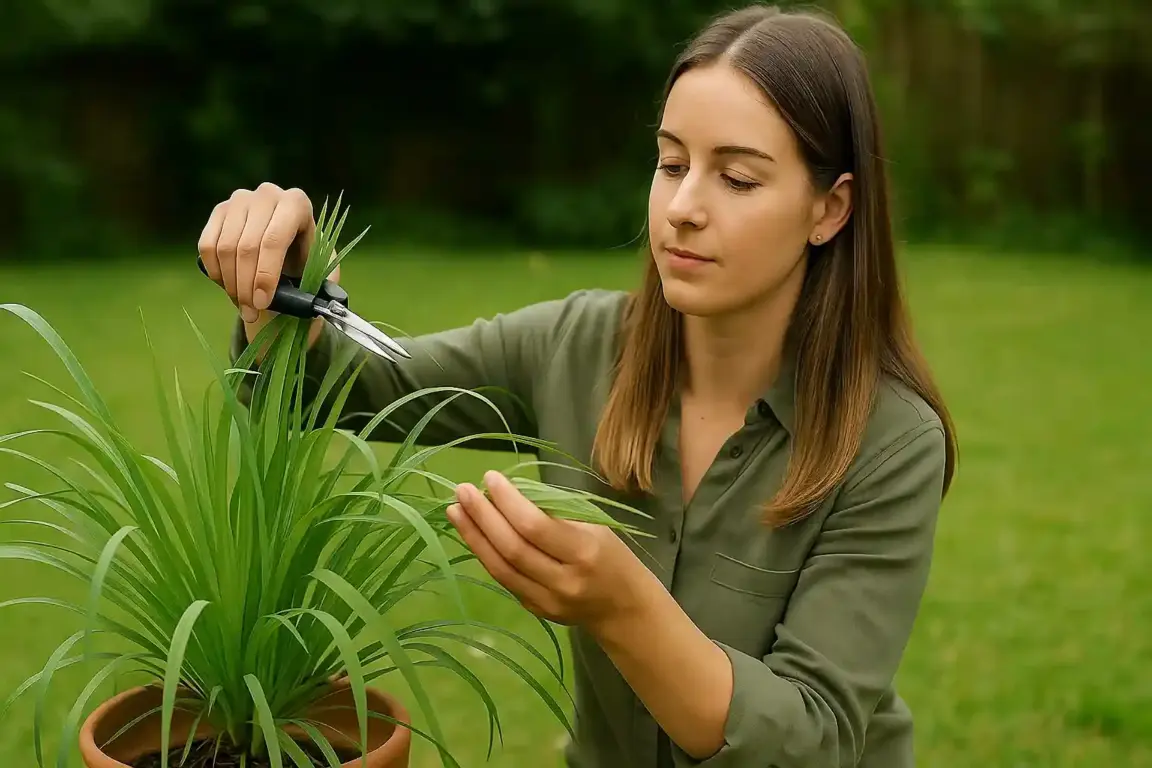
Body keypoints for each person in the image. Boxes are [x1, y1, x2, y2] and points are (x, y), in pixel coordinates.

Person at [197, 4, 958, 766]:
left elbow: (814, 738)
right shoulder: (575, 346)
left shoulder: (891, 442)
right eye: (670, 164)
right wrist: (284, 287)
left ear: (829, 209)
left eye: (736, 177)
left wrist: (624, 606)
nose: (684, 207)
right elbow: (329, 389)